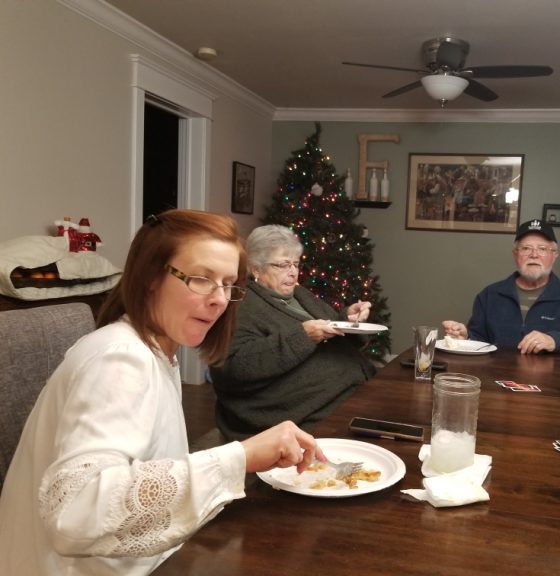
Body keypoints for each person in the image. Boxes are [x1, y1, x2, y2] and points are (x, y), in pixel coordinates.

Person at [0, 210, 323, 575]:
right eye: (201, 278)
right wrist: (240, 457)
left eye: (228, 284)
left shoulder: (156, 351)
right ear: (151, 277)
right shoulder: (120, 360)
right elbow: (76, 513)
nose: (219, 299)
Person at [209, 224, 376, 440]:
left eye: (295, 264)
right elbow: (231, 368)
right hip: (301, 413)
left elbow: (330, 329)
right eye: (283, 264)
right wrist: (303, 336)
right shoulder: (243, 305)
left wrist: (347, 319)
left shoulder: (300, 294)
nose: (293, 272)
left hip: (348, 391)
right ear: (256, 269)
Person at [443, 219, 560, 353]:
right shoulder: (489, 295)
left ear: (554, 256)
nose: (534, 254)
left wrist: (554, 340)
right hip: (497, 381)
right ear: (515, 254)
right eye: (526, 248)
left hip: (552, 385)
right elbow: (480, 341)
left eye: (542, 249)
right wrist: (465, 338)